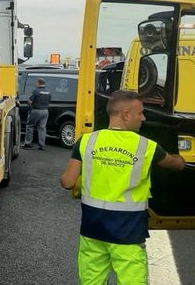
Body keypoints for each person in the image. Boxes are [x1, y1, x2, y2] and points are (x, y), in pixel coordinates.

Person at [60, 90, 186, 285]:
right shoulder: (146, 146)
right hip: (127, 233)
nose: (143, 118)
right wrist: (182, 158)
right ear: (126, 115)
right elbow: (175, 165)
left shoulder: (86, 141)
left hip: (92, 231)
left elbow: (67, 182)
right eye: (140, 112)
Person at [23, 78, 51, 150]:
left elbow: (30, 101)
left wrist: (29, 101)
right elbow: (49, 101)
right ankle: (42, 145)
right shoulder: (48, 91)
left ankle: (28, 143)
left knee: (30, 126)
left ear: (38, 83)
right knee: (42, 128)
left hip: (36, 110)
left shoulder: (36, 91)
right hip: (45, 111)